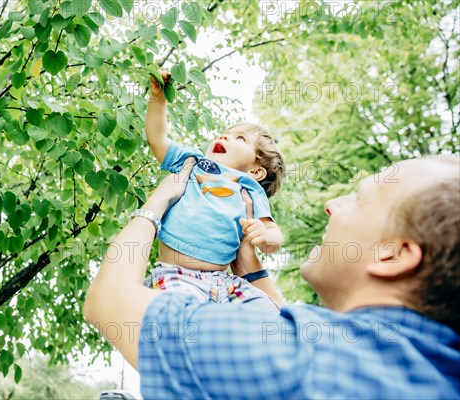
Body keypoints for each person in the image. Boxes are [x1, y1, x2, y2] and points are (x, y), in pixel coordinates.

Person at [83, 155, 460, 398]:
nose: (332, 205)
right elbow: (290, 327)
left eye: (359, 200)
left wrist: (159, 201)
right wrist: (253, 270)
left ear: (393, 255)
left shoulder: (307, 363)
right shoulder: (434, 373)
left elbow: (109, 301)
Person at [143, 70, 285, 307]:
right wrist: (158, 100)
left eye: (240, 139)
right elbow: (157, 139)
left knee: (268, 311)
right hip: (177, 273)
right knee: (179, 320)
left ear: (256, 171)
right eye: (225, 134)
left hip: (225, 281)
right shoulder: (192, 162)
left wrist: (266, 238)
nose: (226, 137)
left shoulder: (249, 188)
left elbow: (274, 233)